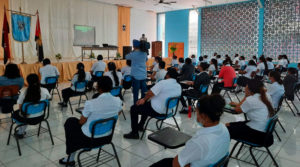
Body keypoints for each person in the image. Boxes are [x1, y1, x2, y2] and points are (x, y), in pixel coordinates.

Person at [151, 94, 230, 167]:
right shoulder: (224, 129)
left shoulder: (201, 142)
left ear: (204, 116)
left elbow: (176, 164)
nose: (196, 115)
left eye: (197, 112)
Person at [59, 76, 122, 166]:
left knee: (70, 122)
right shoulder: (118, 100)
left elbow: (81, 122)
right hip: (107, 137)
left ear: (98, 88)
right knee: (75, 123)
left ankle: (70, 157)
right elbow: (118, 113)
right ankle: (71, 156)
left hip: (89, 139)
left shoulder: (91, 103)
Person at [123, 68, 181, 139]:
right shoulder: (178, 86)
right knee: (146, 105)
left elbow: (151, 92)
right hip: (168, 111)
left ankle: (134, 133)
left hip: (157, 111)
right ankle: (140, 126)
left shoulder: (163, 83)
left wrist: (143, 99)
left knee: (134, 108)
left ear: (167, 75)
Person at [226, 79, 274, 146]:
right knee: (228, 124)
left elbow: (237, 110)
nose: (245, 88)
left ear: (249, 89)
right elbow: (246, 106)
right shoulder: (266, 95)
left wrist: (246, 96)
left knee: (226, 130)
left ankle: (221, 151)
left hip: (257, 135)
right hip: (264, 132)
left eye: (246, 86)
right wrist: (240, 103)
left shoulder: (251, 100)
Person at [12, 74, 50, 138]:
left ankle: (21, 131)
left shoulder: (23, 92)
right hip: (41, 116)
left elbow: (21, 108)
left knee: (15, 114)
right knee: (26, 111)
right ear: (38, 80)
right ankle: (21, 131)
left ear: (27, 82)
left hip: (27, 119)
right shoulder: (45, 90)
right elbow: (48, 98)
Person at [126, 39, 148, 104]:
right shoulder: (144, 53)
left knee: (136, 92)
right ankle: (142, 104)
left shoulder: (133, 53)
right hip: (143, 75)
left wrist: (132, 52)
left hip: (136, 76)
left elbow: (126, 57)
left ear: (134, 46)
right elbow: (146, 60)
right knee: (143, 91)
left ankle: (136, 106)